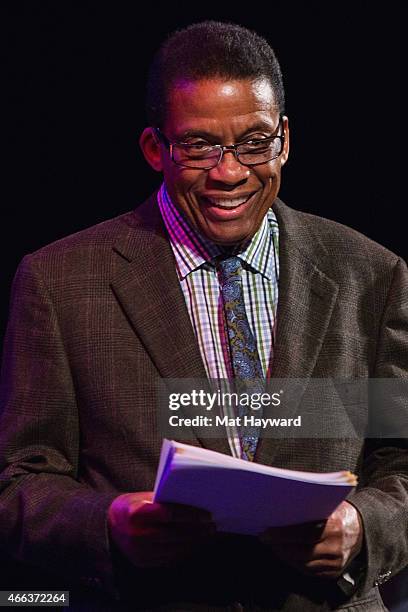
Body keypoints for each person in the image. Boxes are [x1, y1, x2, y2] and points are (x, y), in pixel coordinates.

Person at [0, 20, 407, 611]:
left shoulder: (371, 274)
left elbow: (400, 460)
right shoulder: (59, 282)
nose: (230, 172)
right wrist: (107, 522)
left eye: (253, 142)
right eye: (199, 146)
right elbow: (18, 481)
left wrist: (364, 526)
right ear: (154, 148)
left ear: (284, 139)